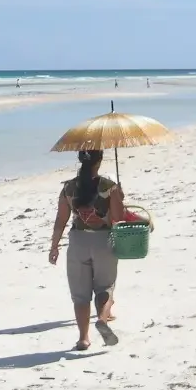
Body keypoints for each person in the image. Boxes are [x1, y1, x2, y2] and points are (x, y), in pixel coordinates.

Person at [48, 149, 124, 350]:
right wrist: (119, 198)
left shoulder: (69, 188)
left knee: (80, 295)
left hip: (77, 242)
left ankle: (83, 338)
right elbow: (117, 219)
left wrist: (54, 246)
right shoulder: (109, 186)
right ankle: (102, 319)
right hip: (103, 241)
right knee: (105, 287)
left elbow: (61, 220)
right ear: (99, 161)